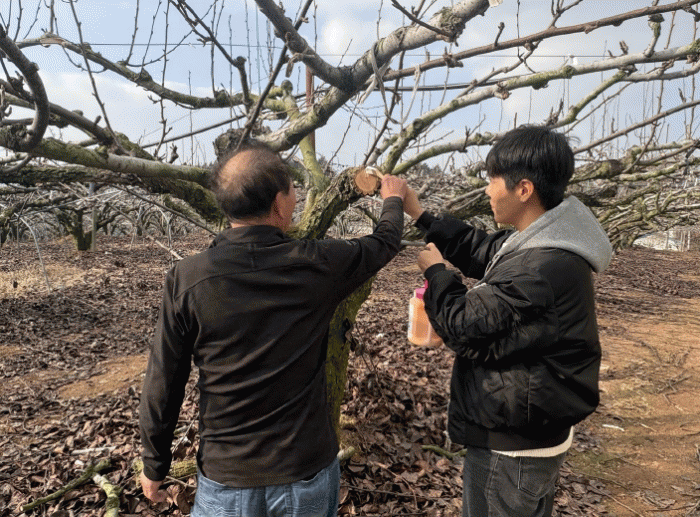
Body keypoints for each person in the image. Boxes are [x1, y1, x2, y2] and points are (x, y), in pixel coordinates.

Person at [139, 141, 408, 517]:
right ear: (280, 204)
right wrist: (392, 199)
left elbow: (164, 378)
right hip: (304, 473)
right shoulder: (318, 264)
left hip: (226, 476)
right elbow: (383, 242)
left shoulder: (187, 279)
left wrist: (154, 463)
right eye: (293, 190)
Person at [402, 125, 612, 517]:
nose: (486, 190)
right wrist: (418, 213)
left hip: (513, 450)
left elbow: (462, 325)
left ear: (524, 189)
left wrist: (437, 274)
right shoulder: (542, 240)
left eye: (492, 180)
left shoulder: (541, 266)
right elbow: (481, 249)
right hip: (531, 430)